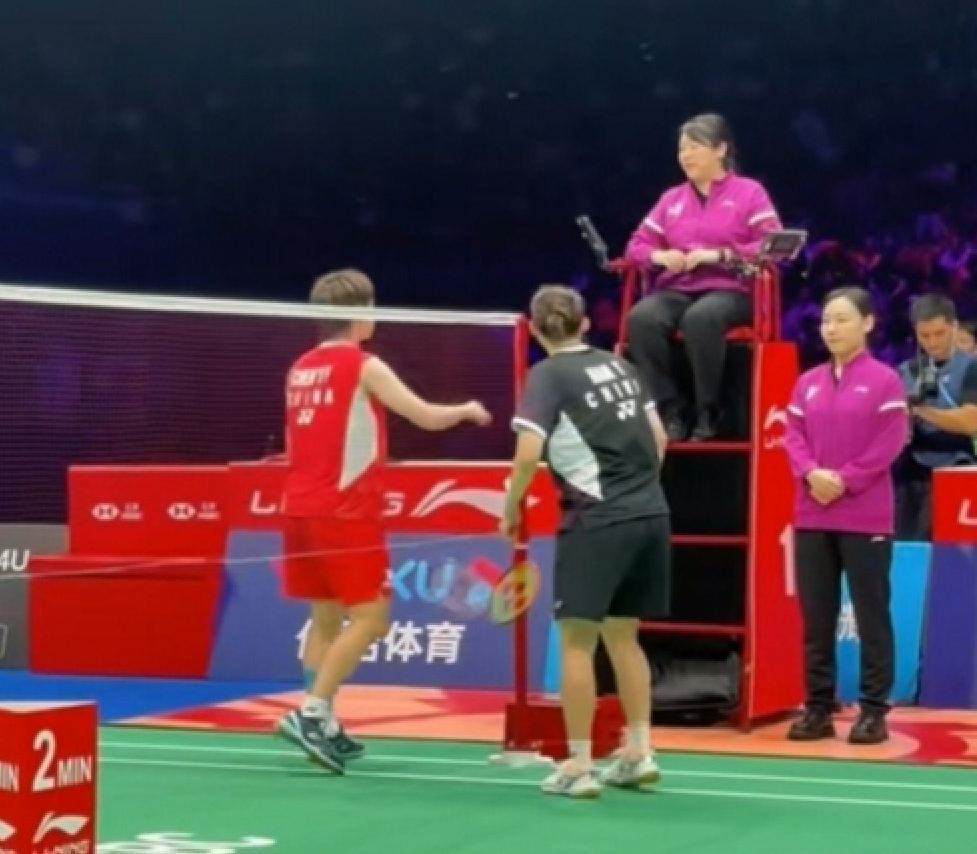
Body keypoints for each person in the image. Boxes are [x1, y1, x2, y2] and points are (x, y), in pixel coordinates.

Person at [277, 269, 491, 774]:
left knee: (326, 618)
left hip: (300, 507)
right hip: (346, 512)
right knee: (372, 619)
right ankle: (311, 713)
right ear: (359, 315)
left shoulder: (299, 368)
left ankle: (324, 721)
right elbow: (424, 416)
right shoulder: (363, 364)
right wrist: (467, 410)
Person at [502, 284, 671, 799]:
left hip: (596, 520)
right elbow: (659, 440)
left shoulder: (548, 375)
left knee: (577, 641)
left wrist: (510, 507)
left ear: (534, 330)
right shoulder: (621, 367)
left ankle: (578, 765)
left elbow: (528, 453)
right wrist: (637, 490)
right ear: (585, 324)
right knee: (625, 636)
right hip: (651, 513)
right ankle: (639, 751)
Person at [783, 287, 909, 745]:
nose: (831, 329)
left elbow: (889, 443)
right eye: (826, 320)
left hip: (865, 516)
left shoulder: (885, 381)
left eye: (842, 319)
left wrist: (845, 479)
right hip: (812, 514)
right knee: (817, 619)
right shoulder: (807, 382)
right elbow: (792, 436)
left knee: (872, 616)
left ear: (868, 323)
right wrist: (811, 473)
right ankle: (818, 708)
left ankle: (874, 711)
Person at [624, 113, 783, 442]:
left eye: (695, 147)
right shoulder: (671, 199)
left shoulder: (750, 193)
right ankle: (670, 409)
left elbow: (773, 244)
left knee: (702, 318)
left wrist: (720, 255)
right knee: (641, 318)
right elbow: (636, 246)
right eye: (682, 149)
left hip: (732, 289)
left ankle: (709, 410)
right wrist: (659, 256)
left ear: (721, 149)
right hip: (679, 288)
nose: (686, 156)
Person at [896, 295, 977, 541]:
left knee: (950, 550)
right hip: (910, 474)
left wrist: (920, 411)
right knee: (906, 548)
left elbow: (971, 421)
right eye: (925, 335)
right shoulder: (905, 371)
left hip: (958, 470)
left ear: (954, 326)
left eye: (939, 334)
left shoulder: (971, 368)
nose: (932, 342)